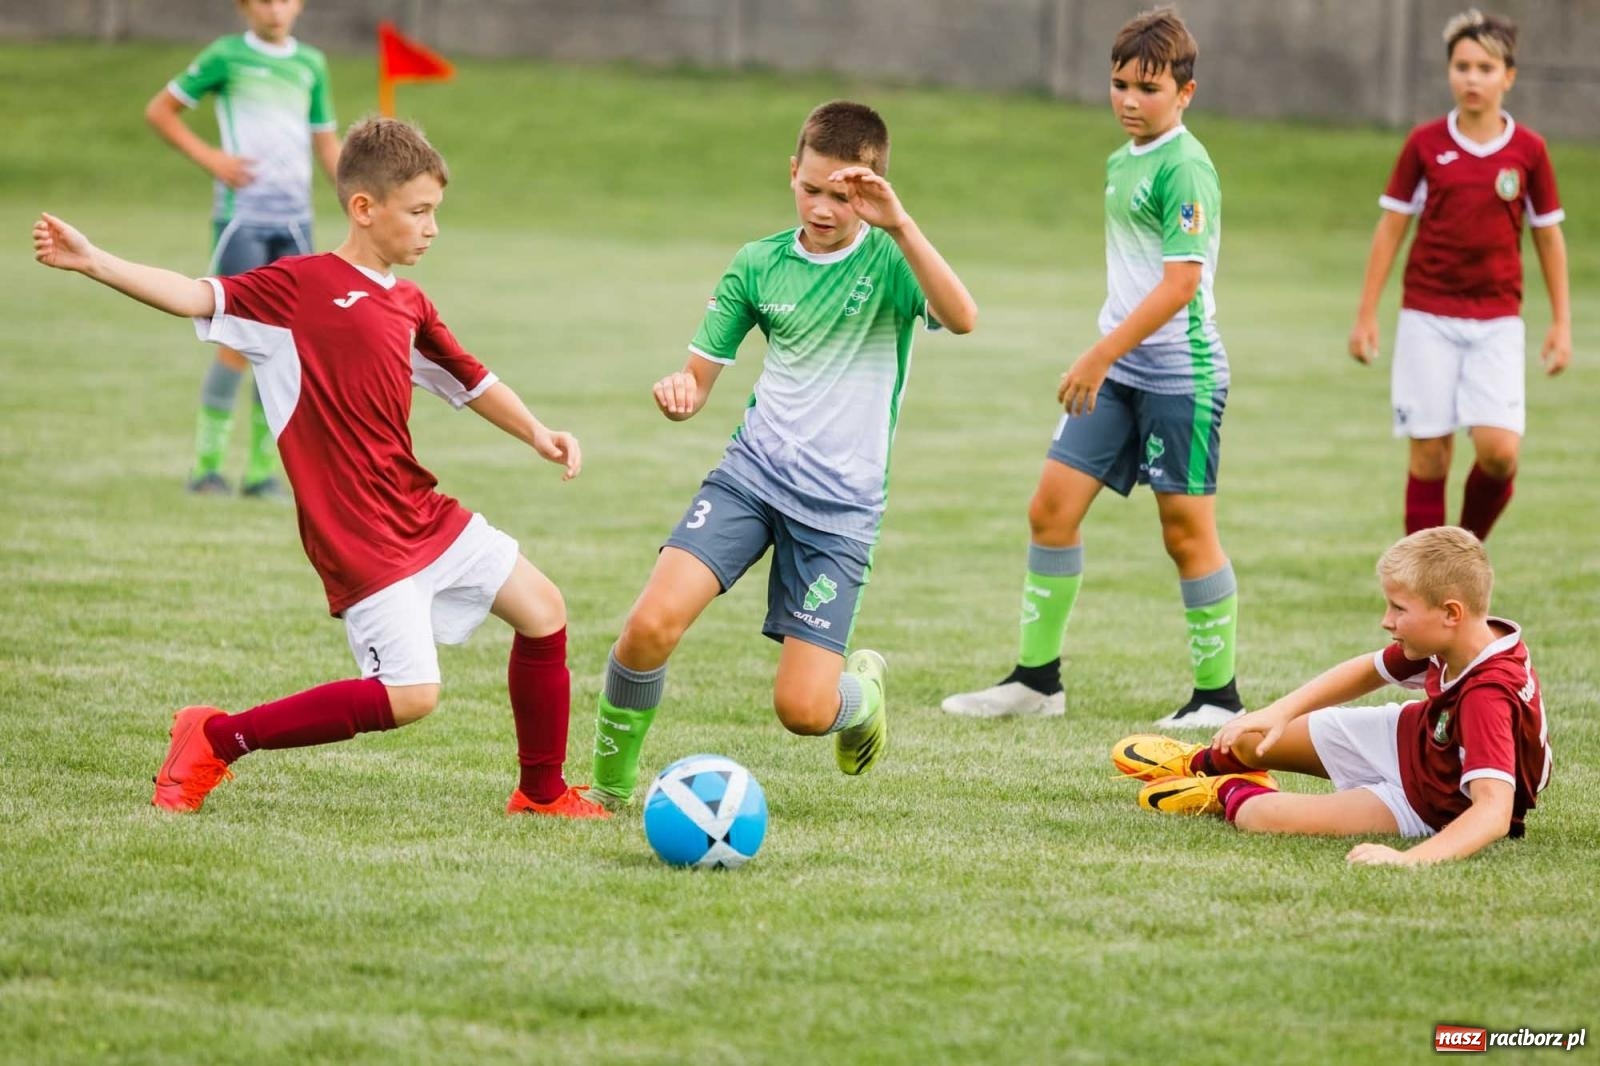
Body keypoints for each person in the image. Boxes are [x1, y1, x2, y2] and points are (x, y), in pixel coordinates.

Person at [33, 117, 608, 819]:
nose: (432, 229)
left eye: (437, 213)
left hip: (418, 509)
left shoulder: (408, 302)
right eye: (419, 212)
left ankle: (541, 793)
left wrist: (539, 433)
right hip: (359, 534)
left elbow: (471, 380)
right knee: (411, 696)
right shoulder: (295, 289)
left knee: (543, 610)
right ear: (365, 208)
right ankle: (215, 736)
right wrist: (95, 261)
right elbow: (192, 294)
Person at [586, 100, 978, 808]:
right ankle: (607, 790)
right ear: (792, 171)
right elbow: (699, 377)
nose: (824, 207)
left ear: (872, 190)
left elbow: (962, 317)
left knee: (802, 710)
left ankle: (861, 697)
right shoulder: (759, 263)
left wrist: (903, 225)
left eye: (843, 194)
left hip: (840, 510)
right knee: (648, 625)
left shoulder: (892, 259)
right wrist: (680, 390)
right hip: (752, 479)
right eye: (813, 187)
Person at [942, 7, 1240, 728]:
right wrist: (1108, 357)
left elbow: (1180, 284)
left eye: (1148, 88)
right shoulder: (1121, 162)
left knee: (1185, 531)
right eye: (1119, 85)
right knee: (1050, 509)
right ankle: (1037, 683)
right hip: (1117, 373)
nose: (1130, 101)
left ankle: (1217, 698)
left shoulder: (1187, 168)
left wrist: (1098, 353)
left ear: (1185, 93)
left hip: (1178, 377)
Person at [1111, 527, 1551, 866]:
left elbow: (1494, 812)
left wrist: (1410, 859)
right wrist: (1276, 713)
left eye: (1399, 608)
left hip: (1429, 806)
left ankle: (1226, 789)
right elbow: (1368, 669)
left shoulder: (1488, 694)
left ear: (1450, 612)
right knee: (1251, 739)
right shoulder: (1463, 635)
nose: (1387, 620)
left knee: (1261, 818)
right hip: (1406, 738)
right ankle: (1200, 762)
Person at [1349, 9, 1570, 541]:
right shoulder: (1425, 144)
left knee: (1499, 452)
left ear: (1508, 76)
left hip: (1496, 320)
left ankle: (1461, 552)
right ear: (1449, 71)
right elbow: (1391, 228)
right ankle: (1420, 587)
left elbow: (1547, 235)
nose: (1473, 78)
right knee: (1429, 454)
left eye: (1486, 68)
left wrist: (1562, 323)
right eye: (1463, 66)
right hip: (1427, 315)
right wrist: (1366, 315)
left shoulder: (1529, 152)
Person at [145, 0, 341, 497]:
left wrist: (364, 198)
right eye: (263, 0)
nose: (274, 10)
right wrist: (210, 157)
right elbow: (160, 110)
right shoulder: (225, 56)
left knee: (282, 348)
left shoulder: (311, 63)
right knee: (237, 343)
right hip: (243, 221)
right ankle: (207, 467)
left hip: (296, 224)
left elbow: (325, 143)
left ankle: (261, 473)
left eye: (284, 0)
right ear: (244, 6)